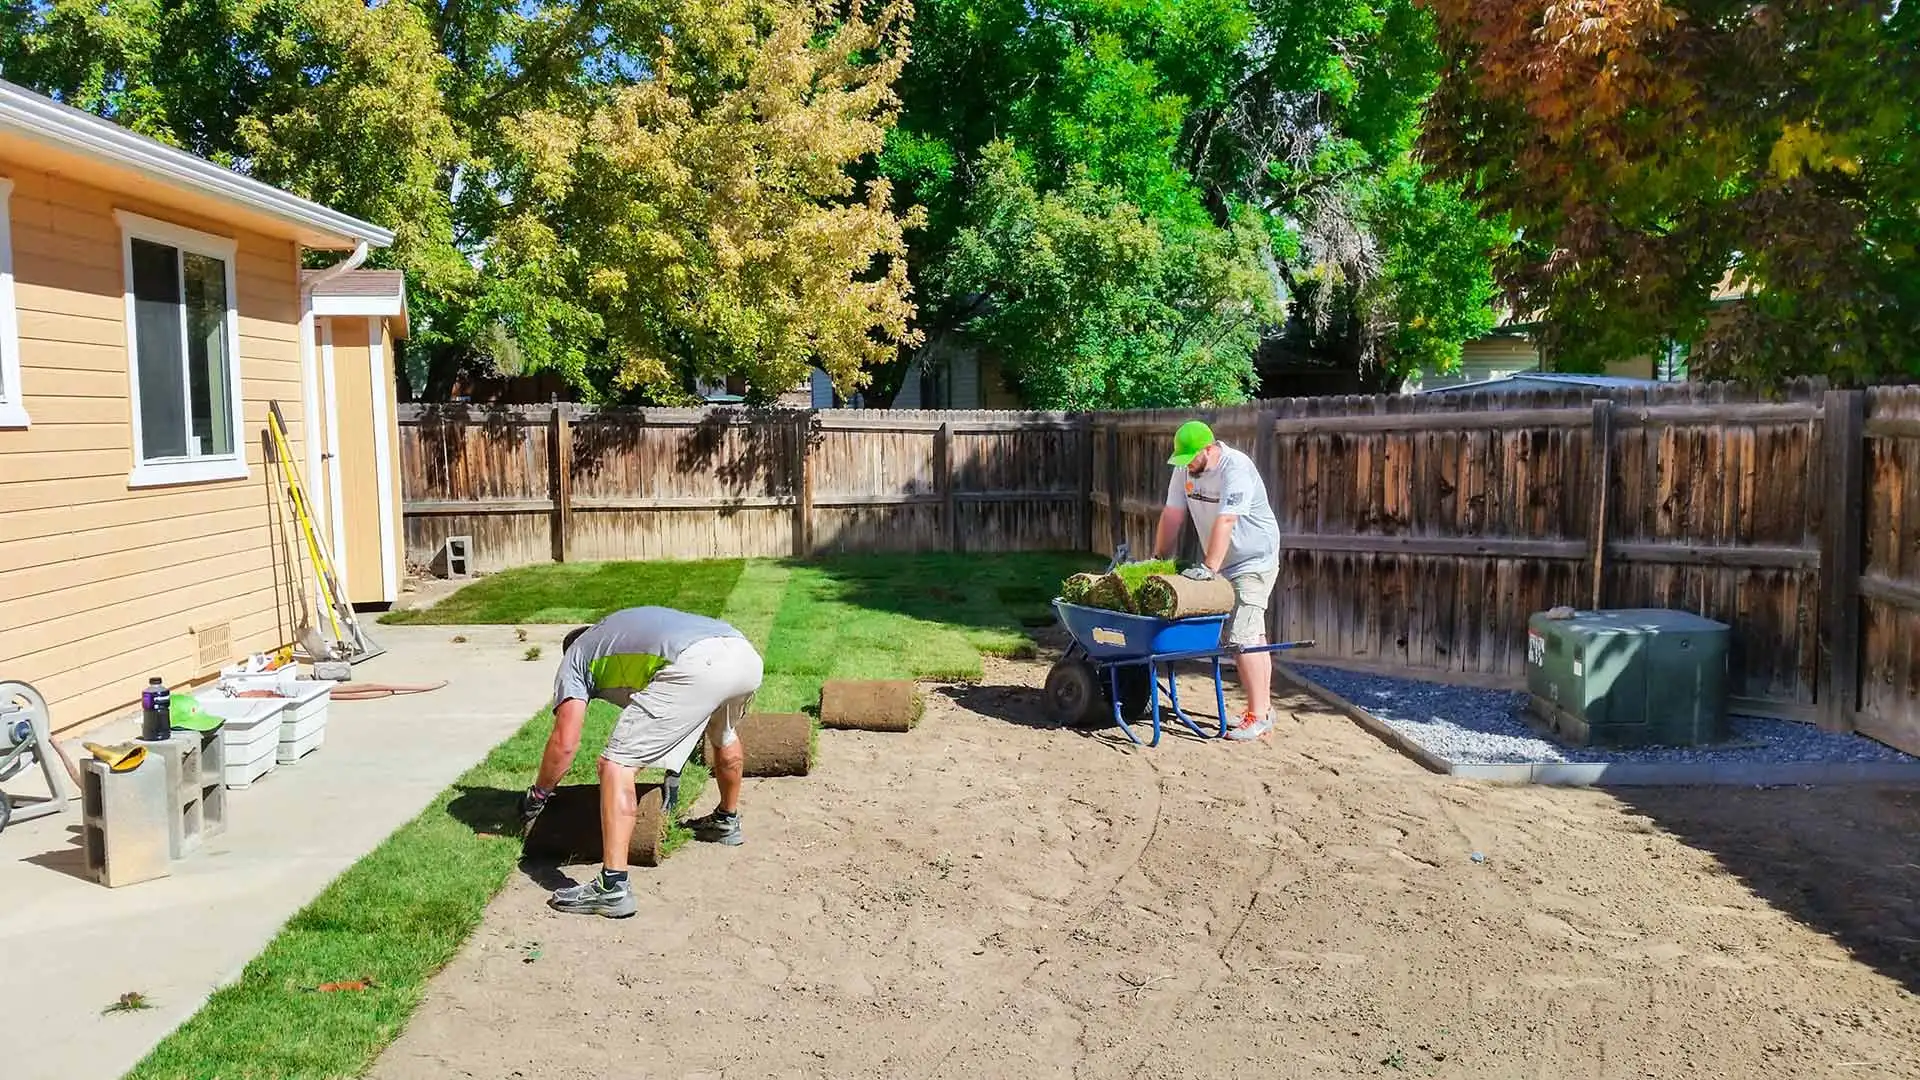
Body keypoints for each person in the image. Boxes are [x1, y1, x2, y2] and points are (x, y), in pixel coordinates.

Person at [519, 606, 764, 918]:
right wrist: (672, 772)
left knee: (616, 764)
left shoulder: (575, 658)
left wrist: (538, 795)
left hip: (696, 663)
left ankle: (612, 887)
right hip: (741, 653)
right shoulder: (619, 636)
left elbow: (565, 743)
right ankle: (726, 821)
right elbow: (678, 715)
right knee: (723, 733)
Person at [1151, 419, 1282, 741]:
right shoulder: (1185, 469)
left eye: (1191, 459)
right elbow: (1172, 514)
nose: (1186, 466)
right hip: (1225, 560)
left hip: (1254, 559)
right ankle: (1263, 706)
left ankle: (1258, 715)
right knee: (1253, 634)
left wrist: (1209, 568)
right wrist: (1158, 559)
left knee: (1242, 634)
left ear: (1208, 449)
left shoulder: (1236, 468)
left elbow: (1226, 521)